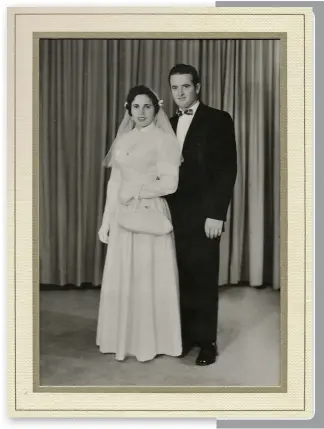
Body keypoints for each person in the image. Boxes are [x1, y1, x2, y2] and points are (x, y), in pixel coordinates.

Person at [96, 85, 182, 362]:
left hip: (149, 211)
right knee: (125, 276)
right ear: (128, 109)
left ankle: (155, 342)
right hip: (123, 214)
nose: (141, 112)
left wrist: (136, 191)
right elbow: (115, 184)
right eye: (136, 106)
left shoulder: (164, 140)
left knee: (148, 276)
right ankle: (123, 340)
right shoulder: (123, 140)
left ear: (156, 108)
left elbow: (170, 183)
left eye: (147, 106)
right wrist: (106, 222)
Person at [166, 64, 237, 366]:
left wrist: (216, 214)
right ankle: (185, 337)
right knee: (179, 275)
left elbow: (226, 170)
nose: (180, 93)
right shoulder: (166, 123)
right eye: (174, 88)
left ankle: (207, 342)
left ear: (197, 87)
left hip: (205, 215)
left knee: (204, 276)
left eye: (185, 86)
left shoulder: (218, 119)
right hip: (171, 214)